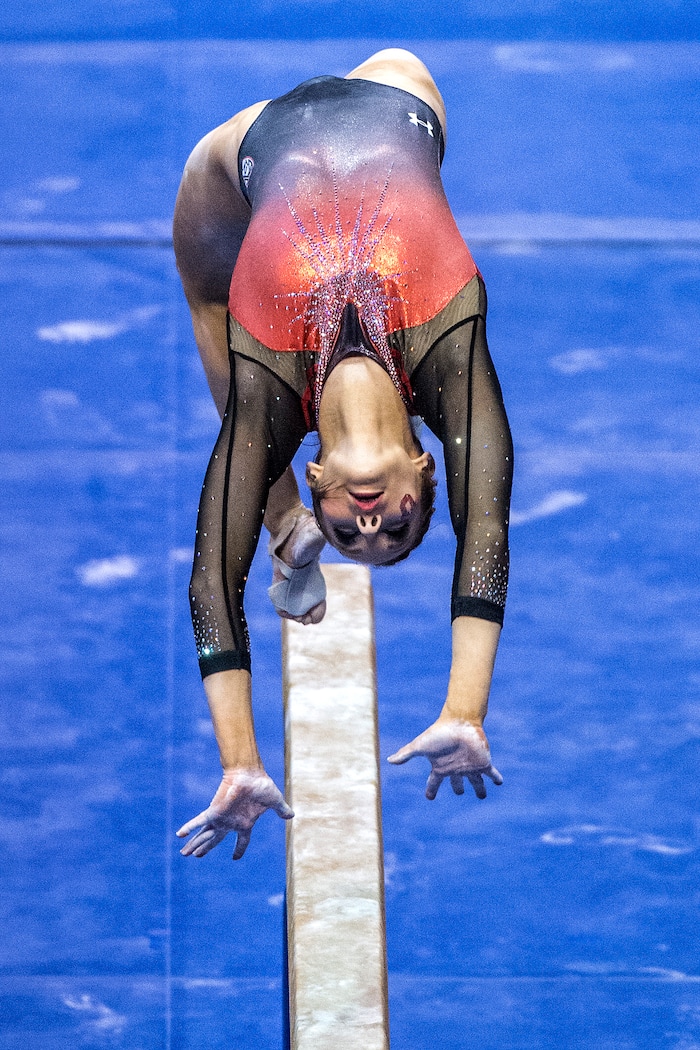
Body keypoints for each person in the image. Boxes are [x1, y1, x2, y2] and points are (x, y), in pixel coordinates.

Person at [172, 49, 513, 861]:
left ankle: (280, 518)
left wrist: (240, 762)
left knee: (216, 309)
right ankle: (287, 526)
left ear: (321, 480)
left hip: (251, 152)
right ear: (429, 470)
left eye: (349, 536)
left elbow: (211, 580)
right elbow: (487, 536)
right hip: (398, 96)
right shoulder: (449, 361)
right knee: (400, 67)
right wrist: (466, 709)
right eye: (394, 529)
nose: (366, 528)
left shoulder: (271, 380)